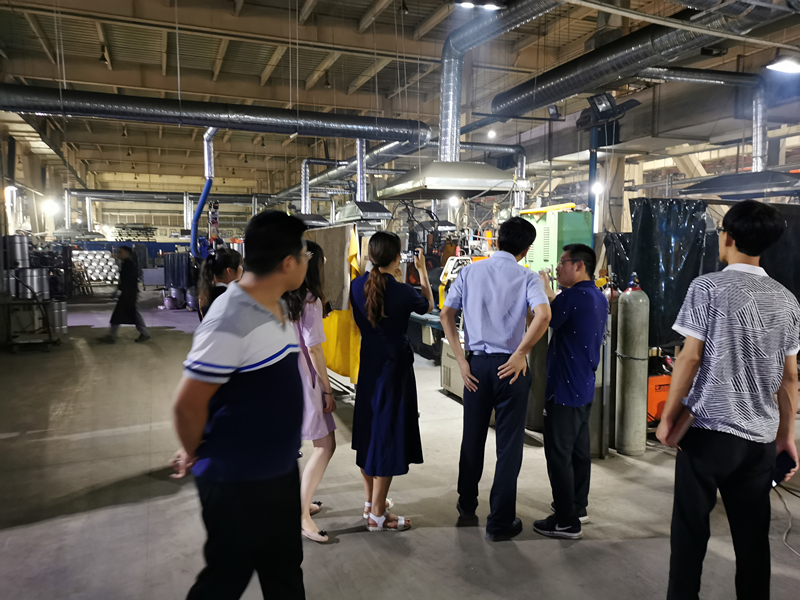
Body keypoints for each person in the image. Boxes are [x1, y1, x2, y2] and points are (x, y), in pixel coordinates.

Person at [657, 200, 800, 600]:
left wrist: (668, 417)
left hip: (708, 433)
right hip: (759, 441)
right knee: (753, 539)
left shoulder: (707, 287)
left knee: (689, 534)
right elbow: (790, 377)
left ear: (729, 238)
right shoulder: (787, 300)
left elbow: (690, 358)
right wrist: (786, 436)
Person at [173, 211, 309, 600]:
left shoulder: (275, 306)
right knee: (225, 579)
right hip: (238, 482)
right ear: (288, 263)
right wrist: (195, 449)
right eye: (305, 254)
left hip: (278, 472)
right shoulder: (229, 318)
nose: (307, 261)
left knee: (284, 572)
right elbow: (186, 406)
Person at [440, 216, 552, 542]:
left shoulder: (470, 271)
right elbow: (544, 315)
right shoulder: (528, 276)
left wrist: (461, 360)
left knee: (472, 436)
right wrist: (521, 353)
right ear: (526, 250)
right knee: (509, 445)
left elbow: (446, 313)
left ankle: (467, 502)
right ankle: (500, 521)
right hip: (511, 368)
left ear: (497, 240)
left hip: (475, 366)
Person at [350, 233, 433, 532]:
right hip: (394, 369)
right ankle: (377, 515)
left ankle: (371, 502)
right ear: (397, 258)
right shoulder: (402, 291)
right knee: (387, 434)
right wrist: (422, 271)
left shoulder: (356, 285)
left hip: (368, 366)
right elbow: (428, 305)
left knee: (369, 430)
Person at [532, 244, 607, 540]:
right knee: (577, 450)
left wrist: (541, 291)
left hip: (563, 388)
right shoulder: (596, 296)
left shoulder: (572, 297)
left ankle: (565, 521)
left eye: (562, 262)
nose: (558, 267)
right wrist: (551, 292)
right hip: (583, 386)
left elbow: (545, 319)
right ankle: (577, 506)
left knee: (558, 454)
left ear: (579, 265)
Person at [283, 240, 337, 544]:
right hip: (307, 378)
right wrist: (327, 390)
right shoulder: (310, 298)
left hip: (286, 375)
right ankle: (301, 514)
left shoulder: (284, 295)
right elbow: (314, 348)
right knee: (325, 445)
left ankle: (299, 505)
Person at [100, 245, 150, 343]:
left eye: (120, 252)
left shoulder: (129, 265)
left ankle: (144, 334)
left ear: (127, 253)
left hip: (129, 294)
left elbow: (129, 280)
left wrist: (121, 290)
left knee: (132, 315)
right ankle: (112, 336)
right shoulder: (126, 264)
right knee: (122, 315)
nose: (118, 254)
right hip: (127, 293)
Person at [198, 247, 243, 320]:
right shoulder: (230, 297)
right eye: (240, 266)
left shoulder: (204, 295)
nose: (242, 270)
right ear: (229, 271)